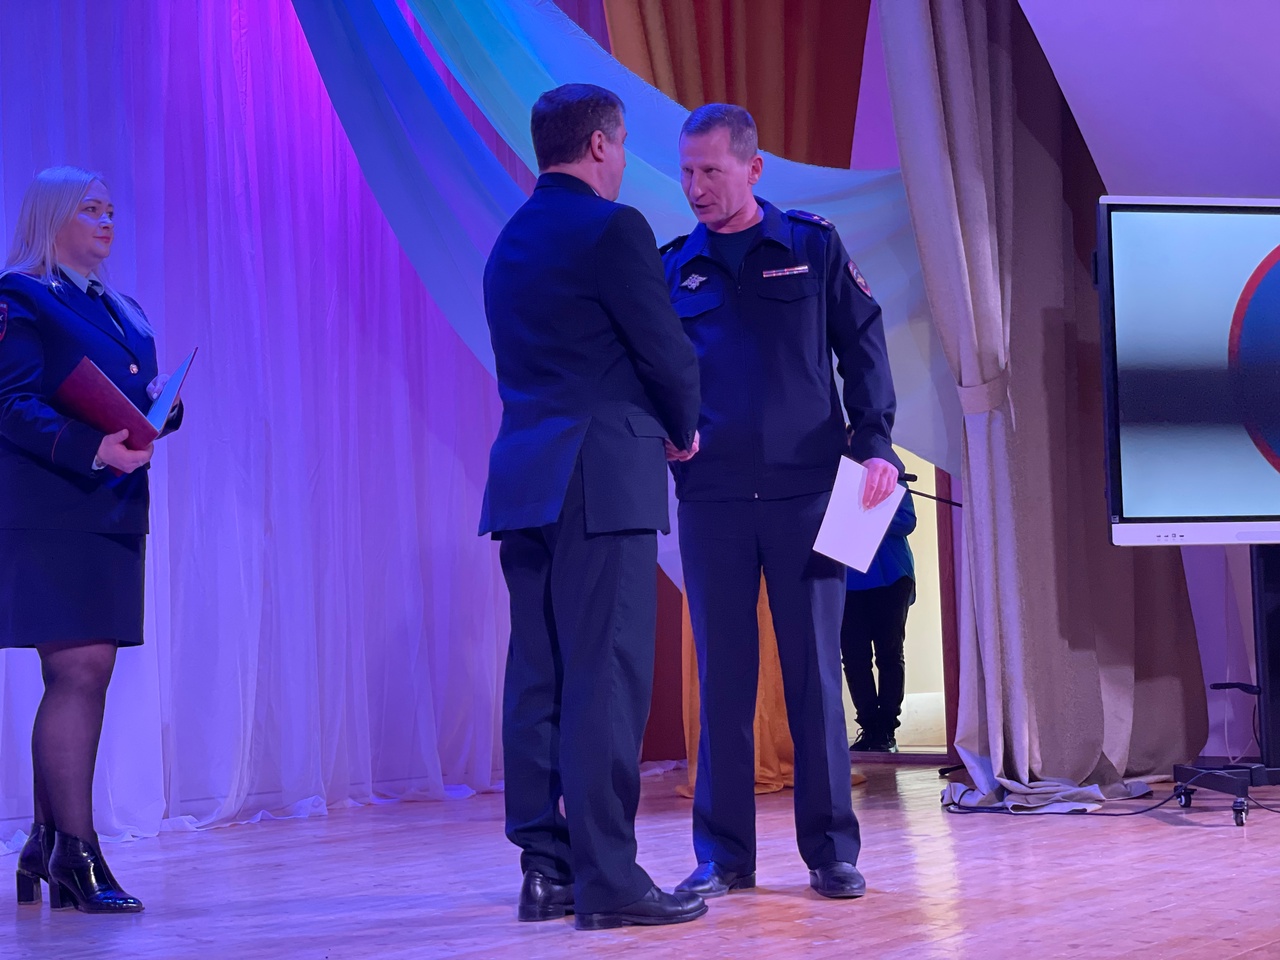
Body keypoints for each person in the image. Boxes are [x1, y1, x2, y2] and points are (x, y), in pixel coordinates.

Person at [661, 104, 901, 901]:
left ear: (753, 168)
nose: (696, 186)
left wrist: (874, 442)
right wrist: (662, 432)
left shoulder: (811, 246)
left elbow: (863, 347)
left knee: (813, 678)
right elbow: (651, 371)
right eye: (687, 171)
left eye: (711, 171)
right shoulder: (674, 268)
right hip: (714, 501)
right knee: (724, 681)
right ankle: (724, 856)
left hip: (808, 496)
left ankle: (831, 852)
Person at [480, 83, 705, 931]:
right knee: (607, 673)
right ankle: (610, 878)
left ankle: (546, 870)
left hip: (524, 478)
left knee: (538, 675)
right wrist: (683, 427)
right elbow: (664, 350)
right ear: (604, 145)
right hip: (602, 474)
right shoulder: (614, 228)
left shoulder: (509, 241)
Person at [1, 167, 183, 914]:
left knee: (82, 676)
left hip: (111, 509)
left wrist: (161, 408)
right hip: (54, 509)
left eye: (111, 208)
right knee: (79, 671)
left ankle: (46, 844)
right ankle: (77, 856)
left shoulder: (122, 307)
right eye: (90, 209)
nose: (108, 220)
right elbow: (9, 403)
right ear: (53, 217)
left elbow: (129, 395)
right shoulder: (20, 297)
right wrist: (91, 448)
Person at [842, 486, 917, 754]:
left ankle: (886, 730)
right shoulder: (834, 478)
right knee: (854, 658)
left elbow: (907, 522)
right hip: (847, 579)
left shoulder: (891, 475)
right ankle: (869, 727)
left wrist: (865, 514)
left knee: (890, 654)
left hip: (892, 574)